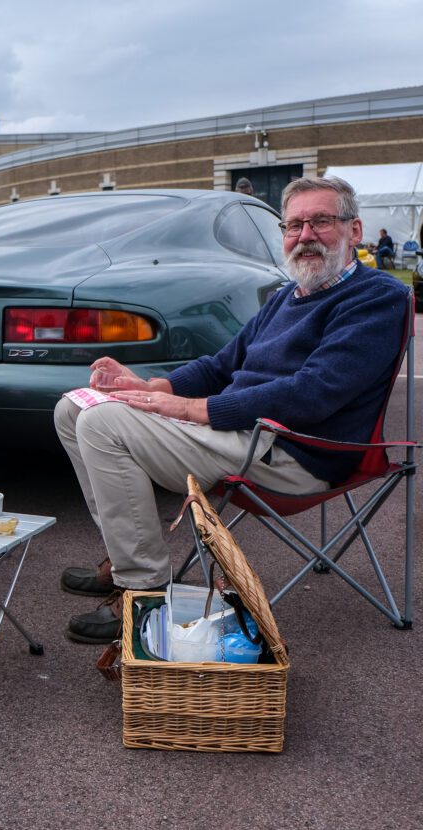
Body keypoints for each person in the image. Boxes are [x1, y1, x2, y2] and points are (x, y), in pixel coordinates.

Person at [54, 176, 407, 645]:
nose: (305, 236)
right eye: (294, 225)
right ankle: (125, 557)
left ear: (354, 230)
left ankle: (143, 590)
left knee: (104, 423)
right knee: (73, 409)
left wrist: (191, 409)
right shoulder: (286, 297)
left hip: (294, 450)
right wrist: (152, 387)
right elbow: (222, 364)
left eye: (321, 221)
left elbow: (313, 393)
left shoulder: (376, 297)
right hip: (242, 433)